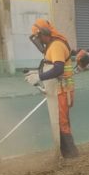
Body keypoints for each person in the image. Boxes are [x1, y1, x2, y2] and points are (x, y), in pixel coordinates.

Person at [25, 19, 79, 159]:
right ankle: (66, 154)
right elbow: (51, 65)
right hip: (58, 89)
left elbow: (58, 69)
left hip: (62, 89)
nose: (38, 41)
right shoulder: (52, 45)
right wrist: (36, 73)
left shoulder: (56, 45)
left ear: (44, 33)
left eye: (37, 37)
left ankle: (71, 155)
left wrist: (39, 77)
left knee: (61, 122)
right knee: (60, 121)